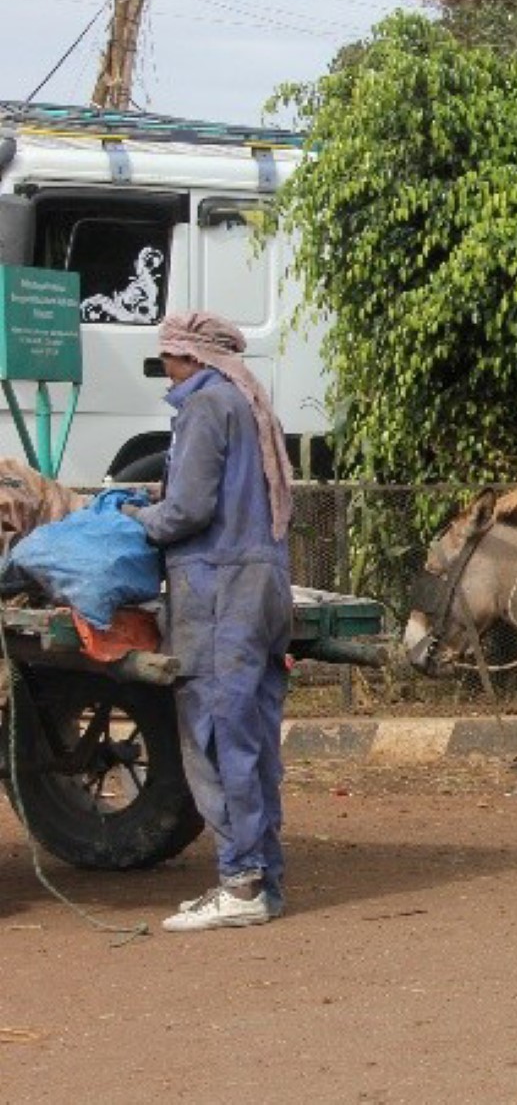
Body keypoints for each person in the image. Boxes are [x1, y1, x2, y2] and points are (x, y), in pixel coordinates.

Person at [126, 311, 295, 932]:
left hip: (219, 586)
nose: (165, 370)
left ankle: (241, 880)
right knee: (251, 735)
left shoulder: (205, 405)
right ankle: (262, 880)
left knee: (216, 733)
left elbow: (189, 510)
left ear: (190, 356)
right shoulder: (250, 404)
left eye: (168, 358)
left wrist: (134, 518)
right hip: (264, 581)